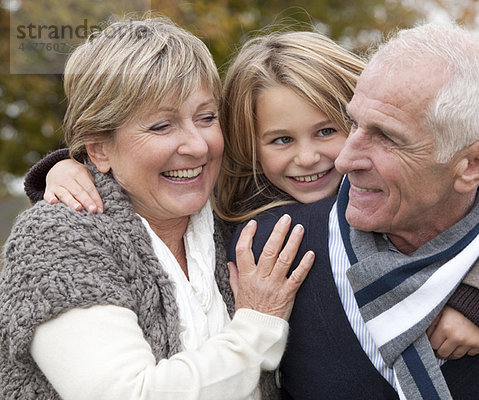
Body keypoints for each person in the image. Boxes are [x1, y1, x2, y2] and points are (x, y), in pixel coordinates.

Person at [23, 28, 479, 398]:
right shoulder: (244, 223)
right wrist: (67, 168)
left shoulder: (222, 215)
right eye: (280, 140)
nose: (317, 157)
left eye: (330, 129)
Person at [228, 23, 479, 399]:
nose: (342, 159)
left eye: (387, 137)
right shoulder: (265, 256)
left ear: (472, 165)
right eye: (354, 123)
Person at [0, 17, 316, 400]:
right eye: (161, 126)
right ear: (99, 148)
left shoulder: (229, 214)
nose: (198, 146)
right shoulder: (56, 239)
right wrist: (258, 325)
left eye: (207, 118)